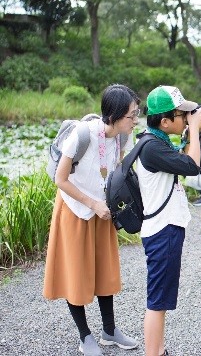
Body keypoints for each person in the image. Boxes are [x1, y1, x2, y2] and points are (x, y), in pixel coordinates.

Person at [43, 84, 140, 356]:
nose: (135, 120)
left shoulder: (122, 137)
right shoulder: (82, 135)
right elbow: (60, 179)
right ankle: (84, 335)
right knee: (77, 273)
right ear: (115, 115)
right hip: (75, 211)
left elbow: (116, 171)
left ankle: (109, 331)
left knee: (104, 271)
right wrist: (92, 203)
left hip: (102, 212)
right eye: (131, 115)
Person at [136, 85, 201, 356]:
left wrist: (190, 131)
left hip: (164, 229)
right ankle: (154, 353)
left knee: (160, 299)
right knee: (157, 301)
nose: (187, 117)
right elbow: (191, 166)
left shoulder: (155, 141)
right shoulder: (153, 148)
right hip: (162, 231)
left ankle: (159, 350)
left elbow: (184, 159)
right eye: (182, 114)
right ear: (164, 121)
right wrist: (196, 132)